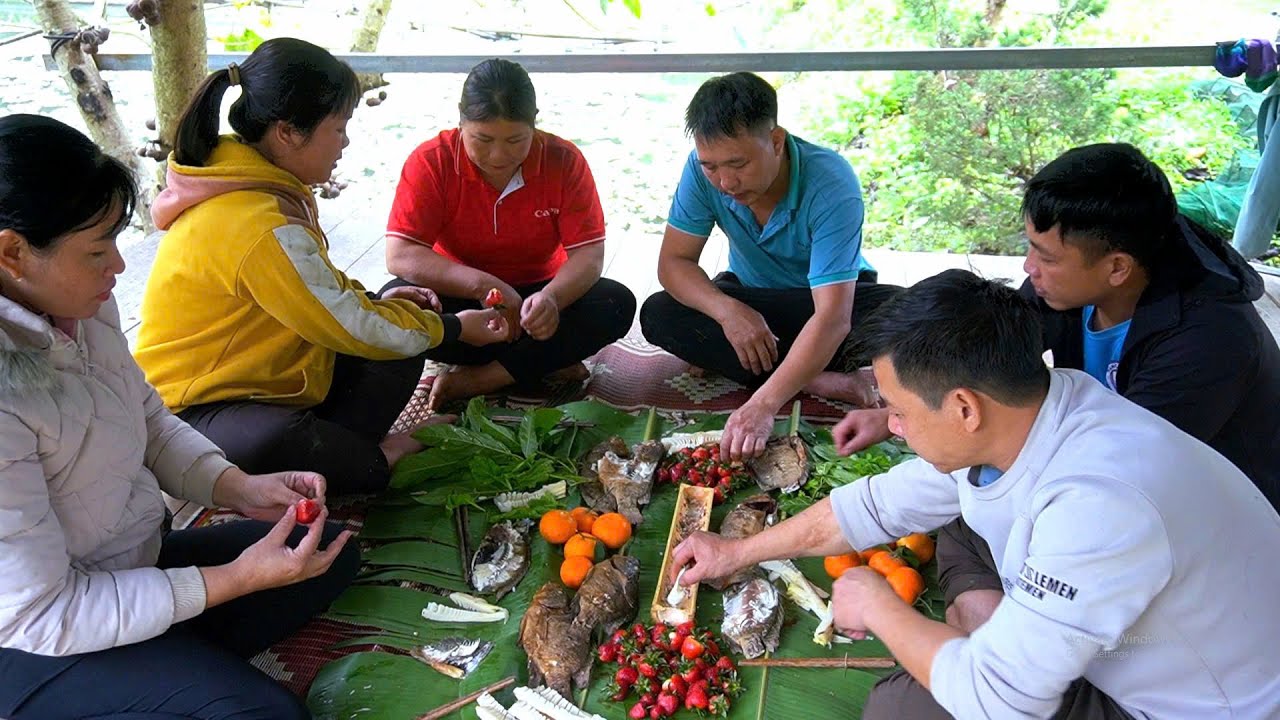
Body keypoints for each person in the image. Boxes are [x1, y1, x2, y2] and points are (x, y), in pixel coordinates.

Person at [672, 270, 1280, 719]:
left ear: (964, 407)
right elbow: (878, 505)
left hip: (1185, 703)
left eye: (900, 411)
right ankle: (995, 621)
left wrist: (880, 607)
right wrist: (733, 553)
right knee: (963, 516)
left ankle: (1000, 632)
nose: (896, 426)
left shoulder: (1100, 505)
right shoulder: (1043, 402)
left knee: (901, 710)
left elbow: (1000, 701)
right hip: (1108, 607)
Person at [0, 113, 360, 720]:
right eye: (96, 250)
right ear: (12, 252)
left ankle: (156, 665)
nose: (117, 267)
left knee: (326, 549)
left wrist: (238, 487)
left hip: (126, 562)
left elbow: (149, 419)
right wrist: (236, 581)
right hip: (32, 638)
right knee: (262, 715)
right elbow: (39, 612)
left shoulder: (81, 307)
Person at [133, 39, 507, 495]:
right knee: (303, 440)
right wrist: (453, 329)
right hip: (197, 413)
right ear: (288, 132)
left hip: (277, 382)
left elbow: (320, 291)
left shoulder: (263, 186)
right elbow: (344, 320)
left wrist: (380, 303)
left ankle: (344, 453)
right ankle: (372, 459)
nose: (345, 142)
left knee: (399, 338)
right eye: (339, 127)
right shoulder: (254, 222)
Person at [833, 143, 1280, 510]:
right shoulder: (1072, 286)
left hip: (1212, 508)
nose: (1030, 269)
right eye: (1032, 249)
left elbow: (1119, 465)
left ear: (1117, 268)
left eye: (1046, 257)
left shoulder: (1209, 342)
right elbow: (989, 352)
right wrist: (906, 412)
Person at [638, 72, 900, 460]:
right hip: (753, 300)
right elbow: (674, 263)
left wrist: (762, 405)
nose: (725, 181)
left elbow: (831, 318)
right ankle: (823, 381)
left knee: (913, 317)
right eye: (711, 166)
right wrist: (729, 312)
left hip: (825, 305)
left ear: (776, 141)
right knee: (660, 313)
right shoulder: (700, 170)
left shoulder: (831, 181)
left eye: (738, 164)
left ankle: (780, 371)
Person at [383, 58, 636, 409]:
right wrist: (482, 285)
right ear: (460, 122)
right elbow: (401, 254)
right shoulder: (431, 161)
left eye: (516, 140)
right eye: (482, 139)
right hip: (464, 300)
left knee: (615, 302)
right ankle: (538, 361)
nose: (498, 156)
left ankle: (481, 379)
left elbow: (589, 256)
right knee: (396, 302)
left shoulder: (563, 160)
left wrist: (552, 299)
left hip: (538, 299)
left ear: (535, 123)